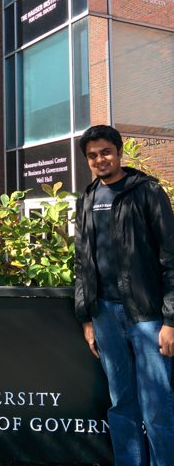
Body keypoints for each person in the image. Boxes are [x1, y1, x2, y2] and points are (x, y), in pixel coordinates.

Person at [75, 125, 174, 466]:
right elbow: (82, 263)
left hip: (147, 317)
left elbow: (170, 258)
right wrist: (86, 317)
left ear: (118, 152)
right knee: (122, 405)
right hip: (104, 315)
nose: (100, 159)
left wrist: (170, 320)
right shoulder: (86, 199)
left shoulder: (146, 192)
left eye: (105, 152)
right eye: (92, 155)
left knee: (158, 406)